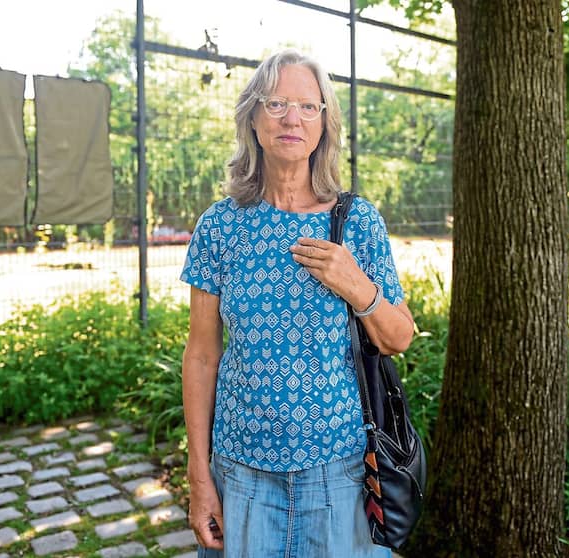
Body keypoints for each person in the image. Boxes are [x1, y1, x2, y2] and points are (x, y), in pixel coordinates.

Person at [180, 49, 415, 558]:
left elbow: (397, 337)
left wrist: (356, 284)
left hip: (338, 472)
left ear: (325, 123)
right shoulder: (219, 226)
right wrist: (200, 476)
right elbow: (201, 355)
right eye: (277, 103)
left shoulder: (357, 222)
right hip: (240, 472)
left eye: (309, 107)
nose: (292, 118)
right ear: (253, 119)